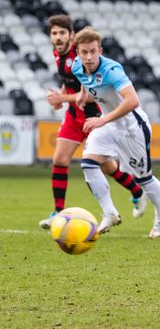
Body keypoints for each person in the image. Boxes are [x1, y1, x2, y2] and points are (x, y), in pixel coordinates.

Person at [39, 14, 147, 230]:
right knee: (59, 159)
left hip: (94, 116)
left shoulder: (80, 55)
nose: (58, 37)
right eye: (54, 33)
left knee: (108, 167)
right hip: (74, 115)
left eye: (62, 33)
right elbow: (73, 82)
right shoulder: (58, 54)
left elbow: (92, 93)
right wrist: (64, 94)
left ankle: (136, 191)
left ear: (71, 36)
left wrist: (63, 98)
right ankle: (58, 211)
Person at [71, 26, 160, 238]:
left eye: (93, 51)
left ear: (100, 50)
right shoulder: (77, 67)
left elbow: (133, 100)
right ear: (77, 53)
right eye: (84, 52)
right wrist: (82, 94)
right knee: (88, 163)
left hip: (132, 127)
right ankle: (109, 213)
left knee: (143, 179)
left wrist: (102, 119)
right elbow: (85, 82)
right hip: (108, 125)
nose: (88, 57)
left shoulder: (112, 70)